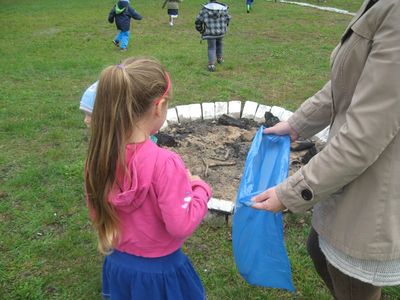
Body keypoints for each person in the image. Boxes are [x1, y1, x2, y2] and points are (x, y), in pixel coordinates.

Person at [251, 0, 400, 299]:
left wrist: (290, 193)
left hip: (375, 187)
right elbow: (346, 84)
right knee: (318, 250)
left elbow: (363, 137)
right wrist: (297, 124)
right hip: (357, 172)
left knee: (350, 281)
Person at [85, 57, 212, 299]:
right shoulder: (165, 163)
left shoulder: (97, 157)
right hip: (163, 274)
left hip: (118, 267)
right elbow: (180, 225)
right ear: (159, 105)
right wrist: (199, 189)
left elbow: (95, 211)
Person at [195, 0, 231, 72]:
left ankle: (211, 65)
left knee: (211, 48)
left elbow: (198, 21)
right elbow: (228, 18)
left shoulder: (205, 9)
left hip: (209, 33)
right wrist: (224, 27)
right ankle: (219, 59)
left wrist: (201, 30)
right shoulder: (223, 8)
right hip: (220, 32)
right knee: (220, 44)